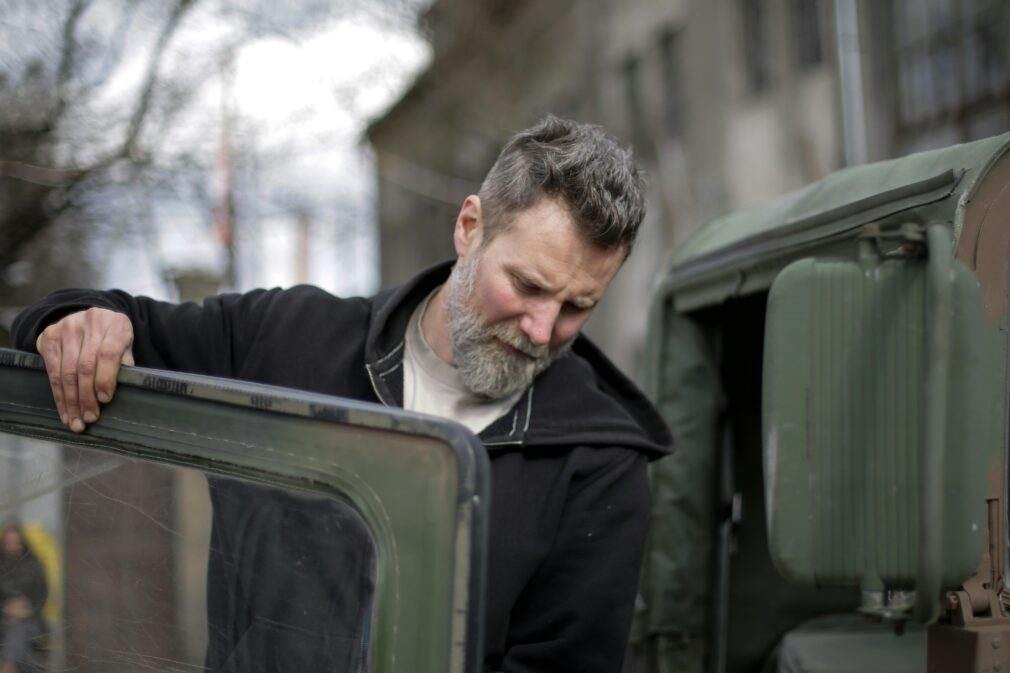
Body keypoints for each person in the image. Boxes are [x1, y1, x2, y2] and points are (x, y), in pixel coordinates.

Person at [12, 115, 672, 672]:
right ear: (469, 227)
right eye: (527, 285)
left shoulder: (600, 465)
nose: (540, 328)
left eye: (576, 306)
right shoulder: (283, 339)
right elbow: (97, 320)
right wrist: (77, 326)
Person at [0, 524, 47, 673]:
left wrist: (27, 611)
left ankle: (8, 666)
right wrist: (6, 608)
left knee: (20, 627)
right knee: (27, 654)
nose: (12, 545)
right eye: (9, 542)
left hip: (31, 620)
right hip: (3, 621)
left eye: (15, 541)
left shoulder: (33, 565)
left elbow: (42, 595)